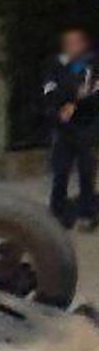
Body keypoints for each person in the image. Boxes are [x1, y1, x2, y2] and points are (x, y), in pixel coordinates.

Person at [43, 25, 99, 229]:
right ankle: (57, 213)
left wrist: (75, 103)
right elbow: (50, 91)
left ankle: (87, 213)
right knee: (60, 171)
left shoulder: (92, 64)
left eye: (77, 42)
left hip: (87, 127)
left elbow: (94, 93)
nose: (73, 46)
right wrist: (67, 100)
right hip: (63, 128)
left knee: (86, 171)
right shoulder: (55, 65)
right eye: (69, 42)